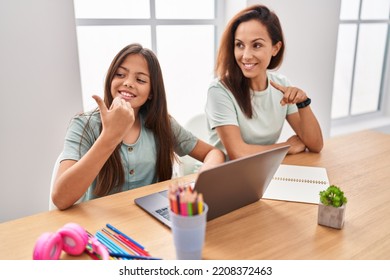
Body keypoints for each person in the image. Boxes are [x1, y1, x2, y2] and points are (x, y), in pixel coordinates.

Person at [52, 43, 225, 210]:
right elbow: (60, 199)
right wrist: (110, 135)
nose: (128, 83)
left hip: (150, 223)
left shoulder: (162, 123)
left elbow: (214, 152)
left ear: (151, 92)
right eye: (120, 74)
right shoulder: (83, 125)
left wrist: (204, 176)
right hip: (102, 229)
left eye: (140, 79)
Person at [205, 4, 323, 160]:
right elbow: (238, 153)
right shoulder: (219, 90)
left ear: (275, 48)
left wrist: (303, 103)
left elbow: (315, 145)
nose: (246, 55)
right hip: (227, 176)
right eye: (240, 45)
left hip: (264, 170)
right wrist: (286, 146)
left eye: (257, 45)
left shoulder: (281, 85)